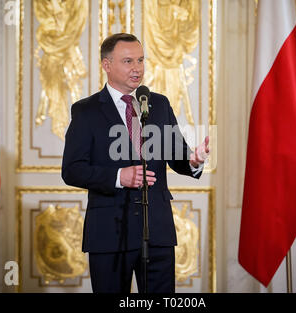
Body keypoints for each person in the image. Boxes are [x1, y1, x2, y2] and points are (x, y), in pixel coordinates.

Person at [62, 33, 209, 293]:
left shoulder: (159, 104)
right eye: (128, 61)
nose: (137, 68)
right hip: (110, 233)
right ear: (107, 65)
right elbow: (72, 170)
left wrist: (193, 159)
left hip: (158, 231)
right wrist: (119, 177)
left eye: (140, 60)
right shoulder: (86, 111)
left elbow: (177, 155)